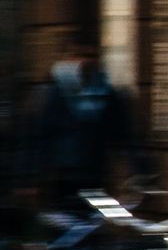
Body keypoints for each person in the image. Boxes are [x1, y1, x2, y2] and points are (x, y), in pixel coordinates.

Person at [18, 43, 141, 216]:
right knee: (64, 229)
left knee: (92, 229)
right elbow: (37, 137)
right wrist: (30, 179)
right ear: (70, 60)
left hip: (95, 176)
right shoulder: (53, 93)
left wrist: (141, 171)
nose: (87, 62)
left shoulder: (107, 94)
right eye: (81, 56)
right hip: (61, 178)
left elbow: (125, 136)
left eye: (92, 57)